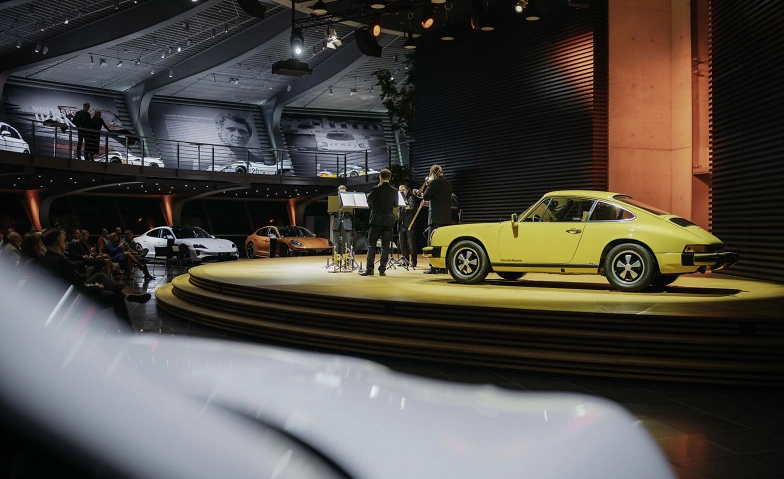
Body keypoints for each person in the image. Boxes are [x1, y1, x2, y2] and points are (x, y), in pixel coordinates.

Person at [36, 228, 151, 323]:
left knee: (99, 276)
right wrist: (96, 288)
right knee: (117, 296)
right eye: (63, 240)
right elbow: (78, 289)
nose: (65, 243)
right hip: (74, 300)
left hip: (62, 296)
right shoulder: (61, 262)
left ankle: (126, 291)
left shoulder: (45, 259)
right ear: (58, 241)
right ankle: (127, 328)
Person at [360, 169, 398, 277]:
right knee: (385, 247)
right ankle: (382, 270)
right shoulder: (394, 190)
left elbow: (369, 201)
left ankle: (370, 270)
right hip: (388, 222)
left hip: (376, 221)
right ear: (390, 177)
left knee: (371, 245)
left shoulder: (376, 189)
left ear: (380, 177)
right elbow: (395, 205)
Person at [420, 164, 452, 274]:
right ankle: (443, 267)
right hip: (446, 217)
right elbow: (441, 200)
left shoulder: (434, 182)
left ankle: (433, 267)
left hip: (435, 217)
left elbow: (425, 196)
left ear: (432, 173)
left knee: (432, 241)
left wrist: (429, 183)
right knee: (443, 243)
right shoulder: (448, 183)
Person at [398, 184, 418, 268]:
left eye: (403, 190)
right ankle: (405, 260)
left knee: (411, 244)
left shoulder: (410, 198)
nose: (401, 192)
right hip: (401, 224)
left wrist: (404, 201)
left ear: (407, 191)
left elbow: (412, 208)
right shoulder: (398, 200)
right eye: (400, 190)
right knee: (402, 244)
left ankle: (414, 261)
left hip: (409, 223)